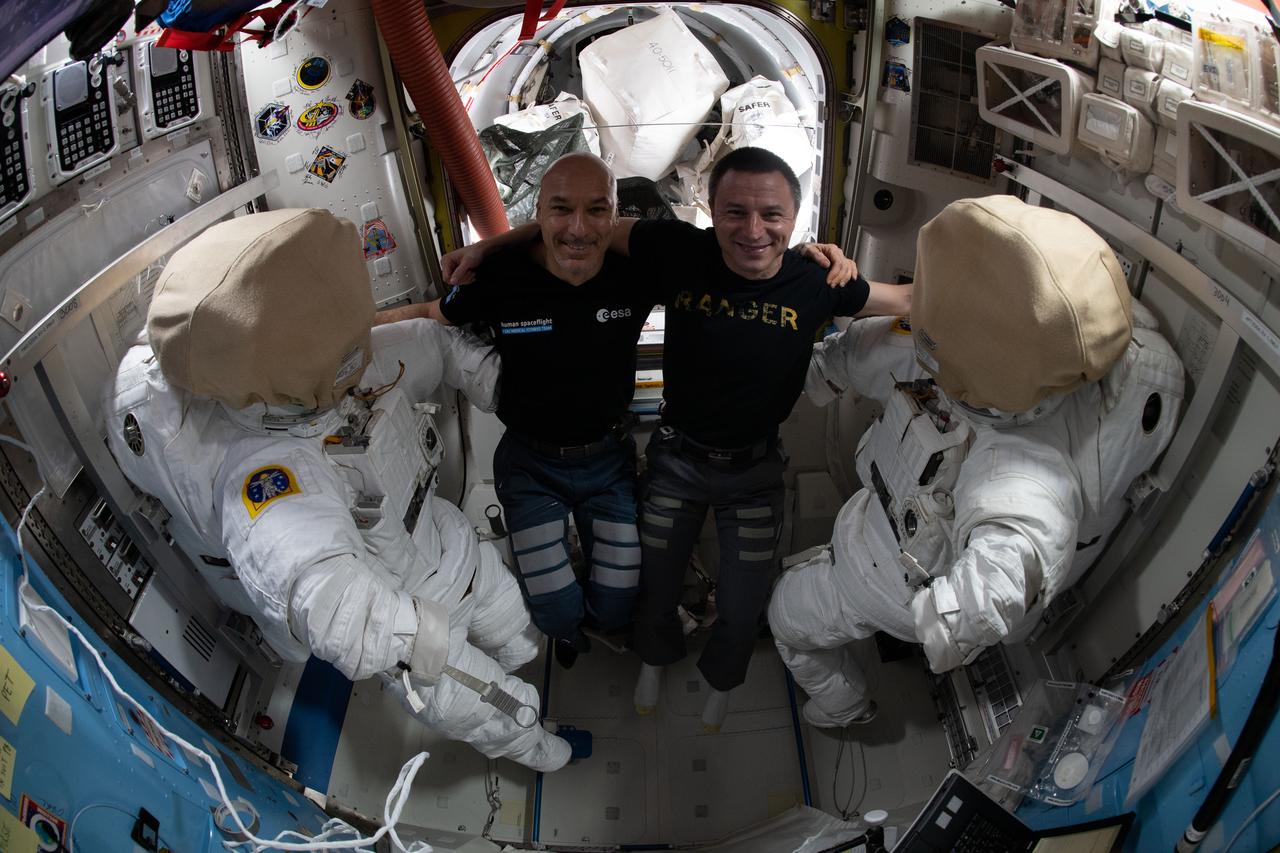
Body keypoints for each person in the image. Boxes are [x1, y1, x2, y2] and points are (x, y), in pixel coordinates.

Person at [444, 147, 911, 730]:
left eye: (772, 215)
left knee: (745, 607)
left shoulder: (816, 281)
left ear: (797, 221)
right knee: (654, 588)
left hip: (755, 474)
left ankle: (722, 680)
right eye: (734, 213)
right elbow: (583, 223)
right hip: (676, 462)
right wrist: (488, 245)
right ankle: (652, 659)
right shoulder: (677, 250)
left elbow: (906, 301)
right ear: (709, 212)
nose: (753, 230)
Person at [104, 208, 572, 772]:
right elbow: (319, 586)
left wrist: (522, 398)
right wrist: (411, 636)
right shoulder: (268, 476)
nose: (356, 361)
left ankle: (528, 653)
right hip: (410, 620)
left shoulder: (348, 367)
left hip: (451, 545)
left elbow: (435, 345)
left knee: (516, 628)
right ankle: (532, 745)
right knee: (489, 703)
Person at [767, 195, 1185, 728]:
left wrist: (935, 625)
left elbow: (1004, 573)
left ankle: (843, 706)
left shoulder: (1020, 461)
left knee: (784, 616)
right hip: (869, 529)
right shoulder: (932, 351)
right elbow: (839, 362)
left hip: (883, 586)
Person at [379, 153, 666, 669]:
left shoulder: (639, 273)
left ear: (616, 217)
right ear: (538, 213)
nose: (578, 229)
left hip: (609, 464)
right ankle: (571, 630)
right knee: (555, 615)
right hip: (532, 467)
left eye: (597, 210)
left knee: (619, 600)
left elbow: (722, 271)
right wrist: (353, 333)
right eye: (560, 210)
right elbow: (430, 316)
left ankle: (595, 611)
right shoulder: (502, 277)